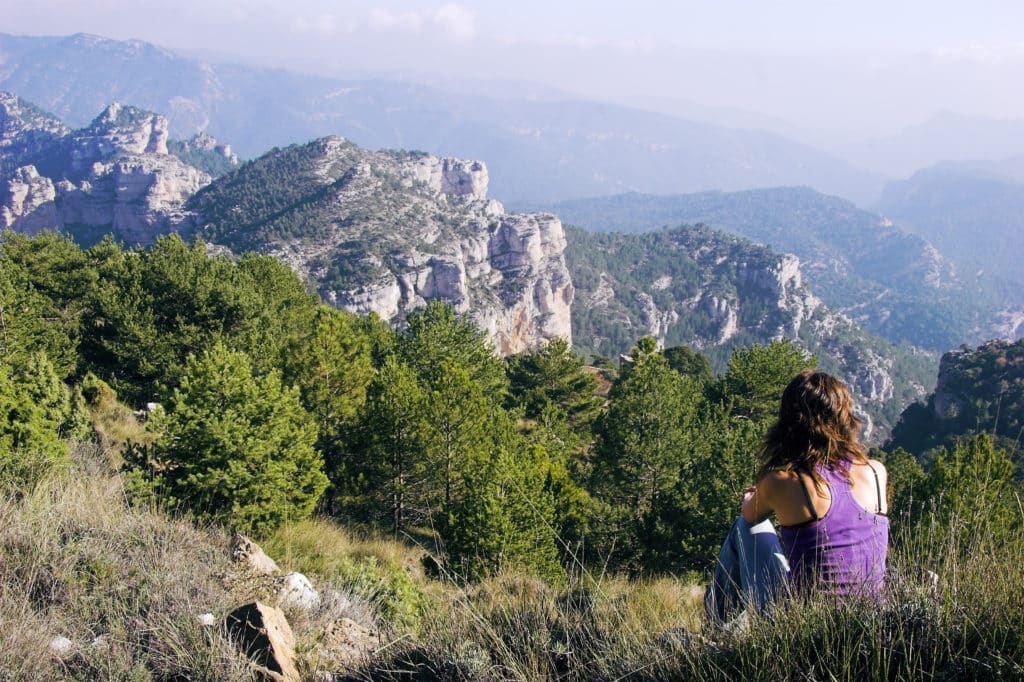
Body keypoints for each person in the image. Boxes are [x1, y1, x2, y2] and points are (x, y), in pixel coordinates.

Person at [704, 370, 889, 625]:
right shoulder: (876, 472)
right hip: (870, 624)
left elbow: (750, 515)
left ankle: (717, 626)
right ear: (845, 418)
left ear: (790, 423)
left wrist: (754, 498)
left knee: (744, 527)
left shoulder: (785, 481)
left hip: (800, 627)